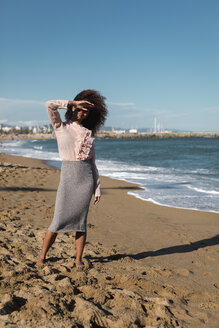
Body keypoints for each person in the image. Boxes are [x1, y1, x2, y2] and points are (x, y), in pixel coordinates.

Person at [36, 89, 107, 268]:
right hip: (68, 177)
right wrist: (72, 102)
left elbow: (92, 164)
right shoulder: (61, 126)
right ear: (73, 107)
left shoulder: (87, 133)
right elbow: (49, 105)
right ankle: (42, 257)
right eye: (79, 108)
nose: (81, 112)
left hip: (86, 180)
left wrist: (97, 188)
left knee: (81, 223)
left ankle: (78, 260)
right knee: (58, 220)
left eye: (85, 111)